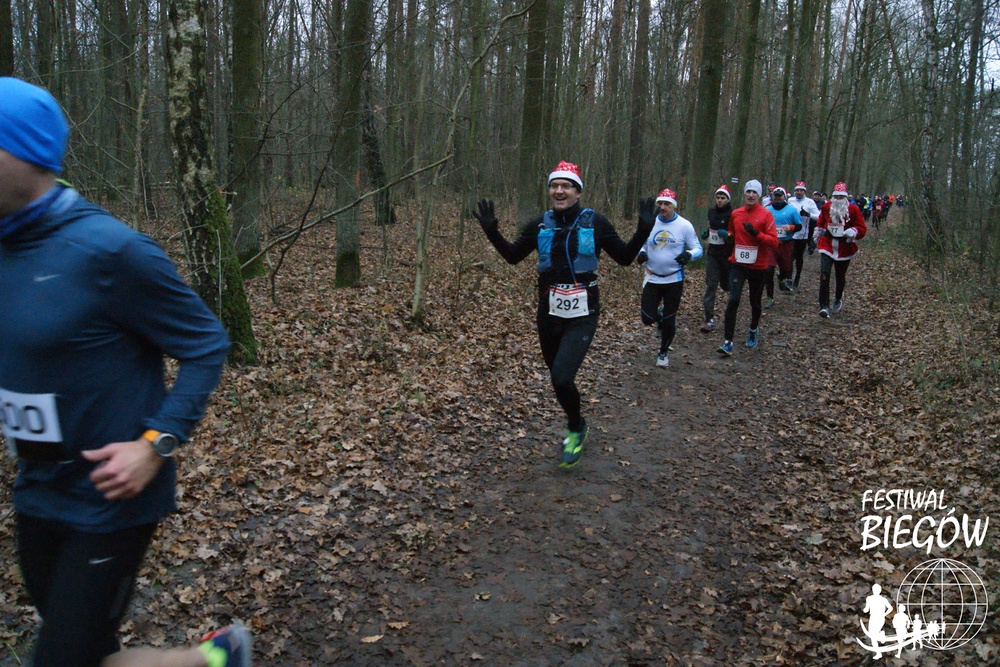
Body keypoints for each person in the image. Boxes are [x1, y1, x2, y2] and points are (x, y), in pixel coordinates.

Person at [0, 78, 250, 667]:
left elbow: (206, 344)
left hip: (110, 498)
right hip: (37, 490)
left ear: (23, 153)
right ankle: (215, 658)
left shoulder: (109, 250)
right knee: (85, 653)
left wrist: (156, 444)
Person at [474, 161, 653, 467]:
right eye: (554, 186)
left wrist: (642, 231)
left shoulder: (596, 222)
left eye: (566, 186)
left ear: (577, 192)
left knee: (561, 376)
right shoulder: (540, 224)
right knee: (559, 381)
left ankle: (575, 428)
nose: (559, 191)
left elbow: (624, 258)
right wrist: (492, 232)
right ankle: (577, 422)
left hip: (583, 313)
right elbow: (513, 256)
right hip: (549, 313)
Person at [637, 188, 702, 367]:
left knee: (669, 320)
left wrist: (689, 255)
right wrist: (641, 252)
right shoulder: (651, 222)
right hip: (652, 277)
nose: (663, 207)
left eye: (667, 204)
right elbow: (641, 242)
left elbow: (698, 248)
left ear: (674, 206)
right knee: (647, 318)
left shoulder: (684, 225)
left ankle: (663, 352)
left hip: (674, 279)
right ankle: (658, 315)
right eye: (660, 203)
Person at [717, 180, 778, 356]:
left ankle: (753, 328)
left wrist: (756, 234)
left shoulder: (766, 215)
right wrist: (728, 237)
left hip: (758, 266)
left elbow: (774, 242)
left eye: (754, 193)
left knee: (755, 302)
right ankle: (728, 341)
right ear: (744, 194)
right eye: (748, 192)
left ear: (759, 195)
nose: (751, 195)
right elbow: (732, 232)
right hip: (738, 264)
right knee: (733, 300)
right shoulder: (736, 213)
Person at [814, 181, 866, 317]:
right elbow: (821, 221)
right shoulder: (827, 207)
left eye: (841, 196)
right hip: (827, 244)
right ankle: (824, 306)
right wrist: (817, 233)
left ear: (845, 197)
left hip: (844, 247)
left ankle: (838, 297)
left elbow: (862, 228)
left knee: (840, 275)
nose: (838, 199)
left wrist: (853, 231)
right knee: (824, 273)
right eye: (836, 196)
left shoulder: (853, 209)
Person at [699, 184, 734, 333]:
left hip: (727, 256)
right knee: (711, 286)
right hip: (712, 254)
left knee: (726, 286)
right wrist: (707, 233)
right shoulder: (712, 212)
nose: (719, 200)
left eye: (723, 198)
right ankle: (709, 319)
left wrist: (727, 235)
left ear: (728, 199)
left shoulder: (733, 214)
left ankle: (732, 313)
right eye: (718, 197)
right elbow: (711, 227)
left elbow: (735, 236)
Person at [765, 186, 800, 299]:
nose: (778, 198)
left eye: (780, 196)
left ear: (784, 197)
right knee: (769, 270)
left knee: (785, 269)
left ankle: (781, 278)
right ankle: (770, 297)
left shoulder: (792, 210)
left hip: (786, 243)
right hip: (771, 244)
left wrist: (791, 227)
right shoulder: (767, 209)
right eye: (776, 196)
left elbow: (799, 226)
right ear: (772, 197)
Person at [788, 182, 820, 288]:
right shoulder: (790, 200)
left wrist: (808, 214)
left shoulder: (810, 202)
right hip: (790, 233)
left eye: (801, 190)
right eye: (797, 190)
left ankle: (797, 277)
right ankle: (789, 279)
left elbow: (819, 216)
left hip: (802, 235)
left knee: (798, 257)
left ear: (804, 192)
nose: (799, 192)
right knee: (790, 257)